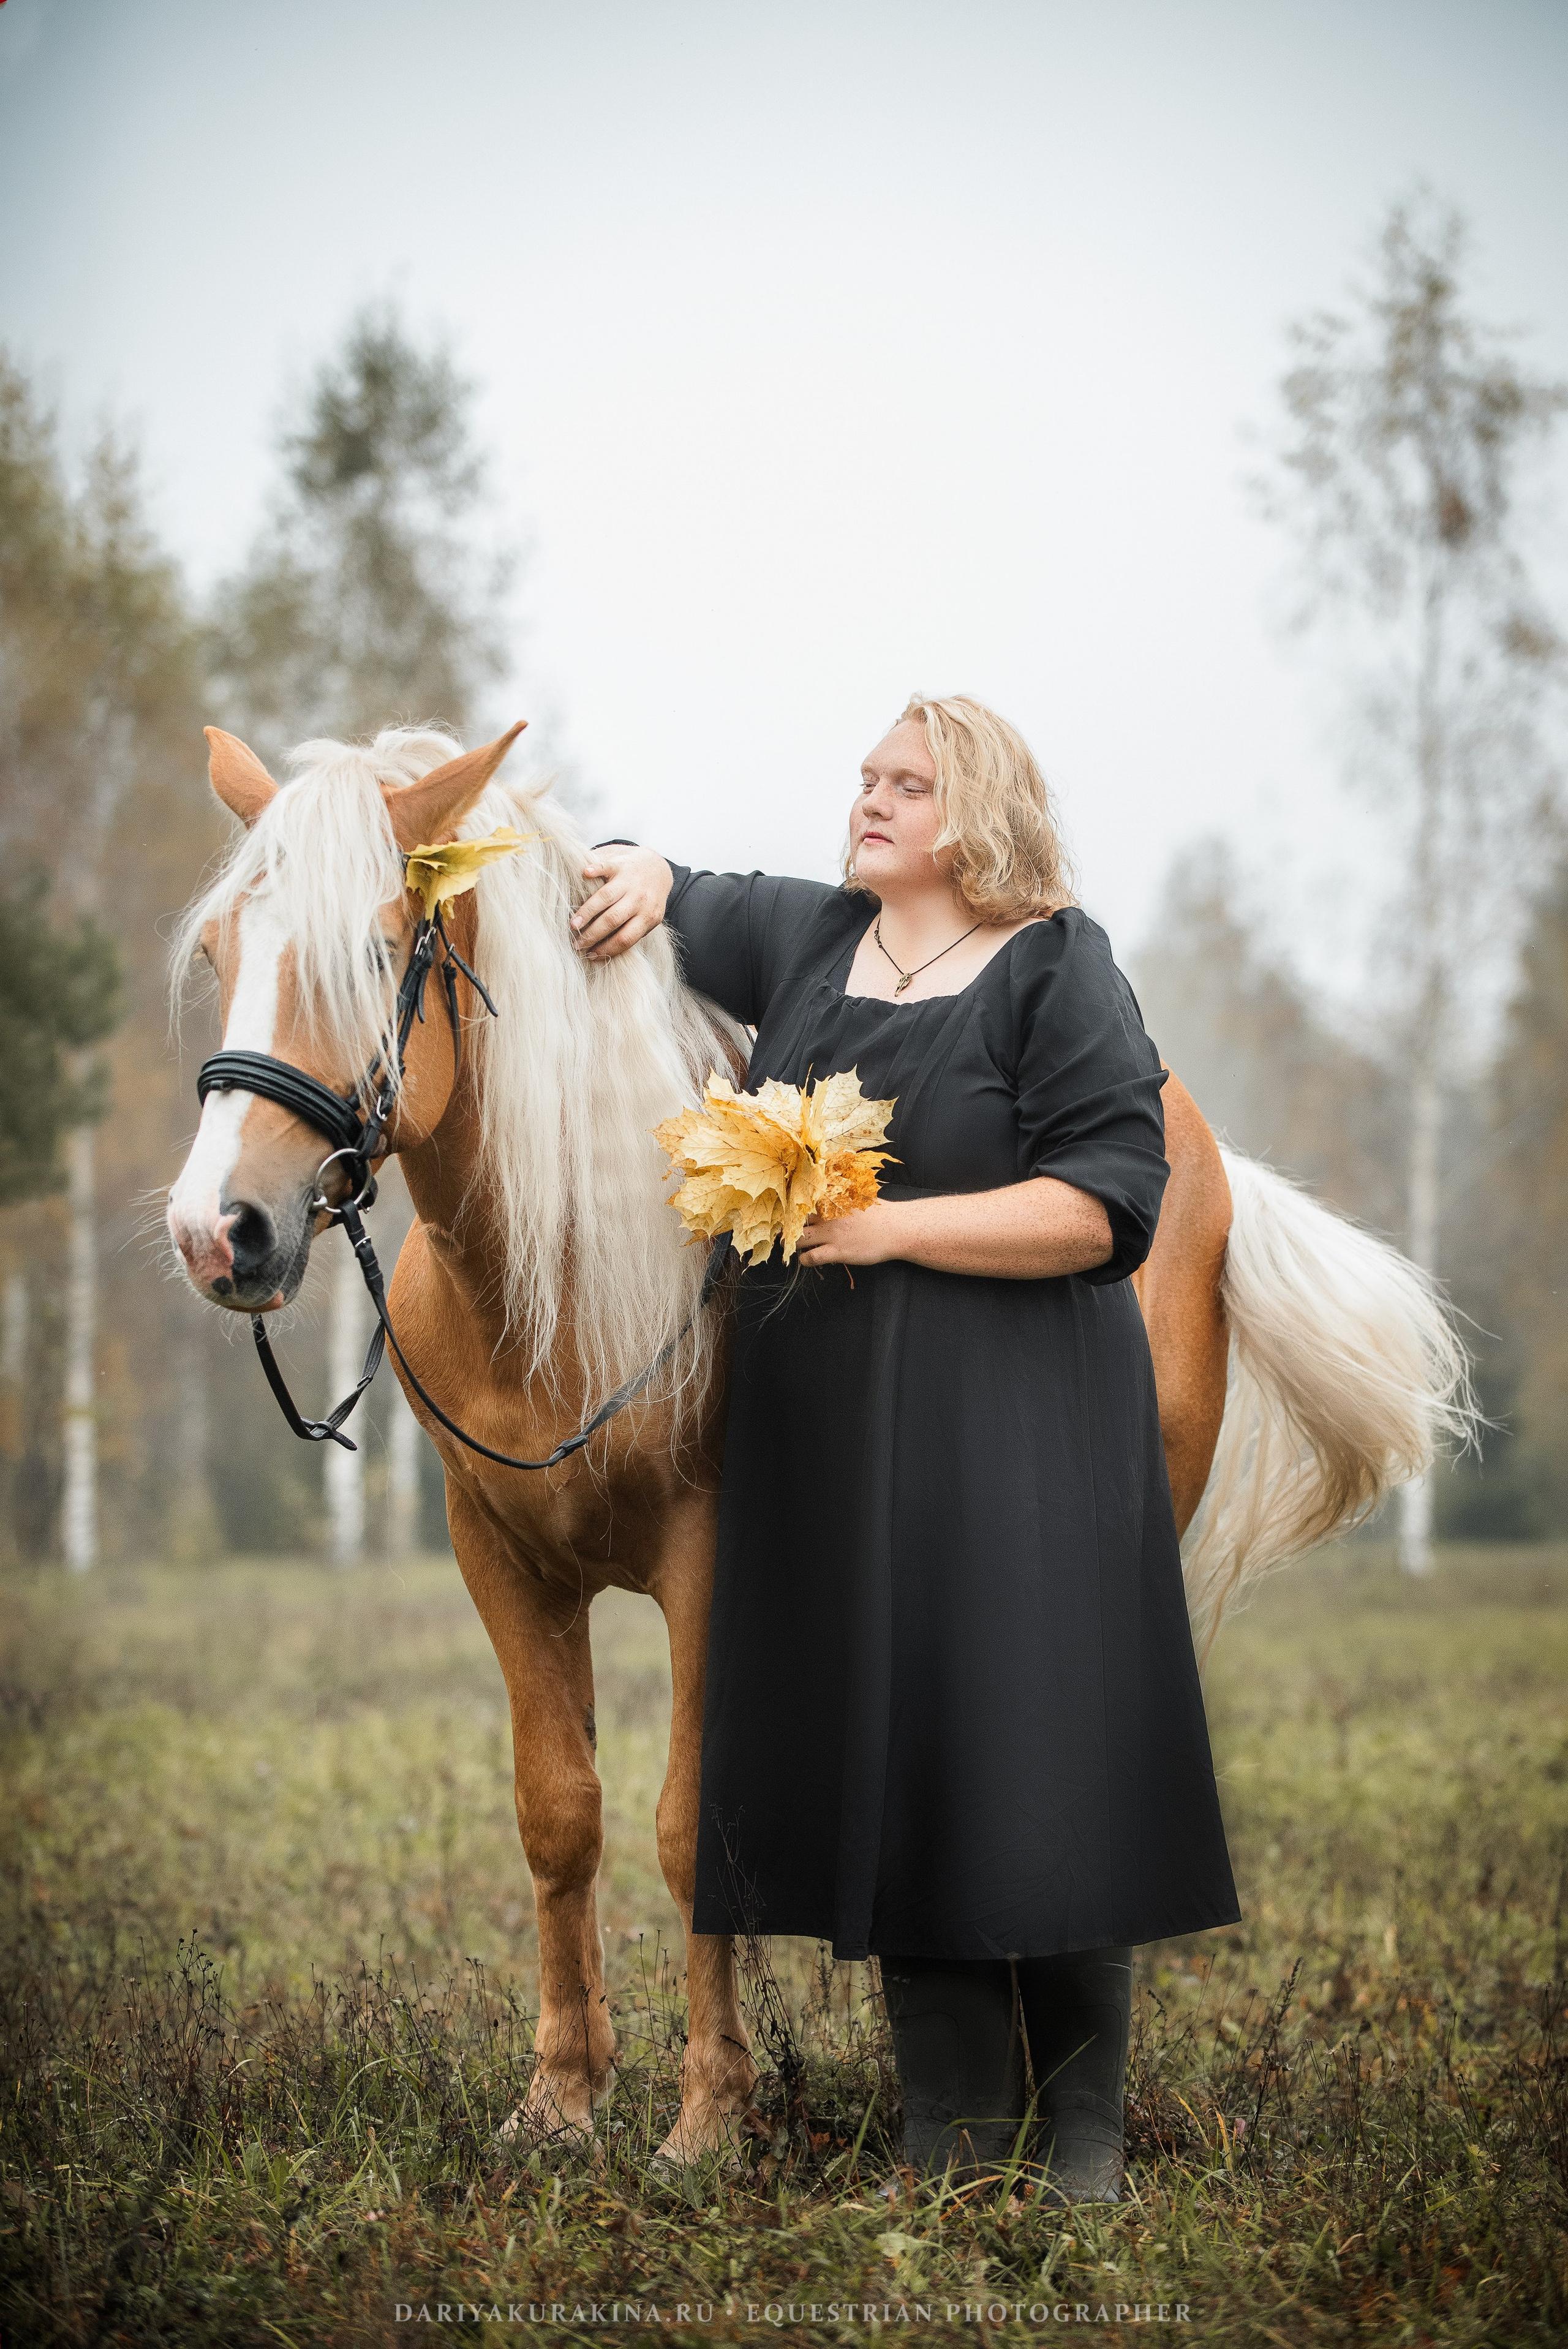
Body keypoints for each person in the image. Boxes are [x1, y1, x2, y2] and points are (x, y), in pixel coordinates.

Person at [570, 694, 1241, 2200]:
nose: (868, 798)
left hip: (1025, 1442)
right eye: (865, 776)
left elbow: (1105, 1205)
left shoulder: (1057, 966)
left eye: (906, 783)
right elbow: (667, 885)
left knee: (1038, 1753)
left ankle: (1079, 2139)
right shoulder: (814, 937)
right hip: (835, 1452)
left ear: (978, 811)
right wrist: (634, 865)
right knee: (905, 1757)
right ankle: (949, 2130)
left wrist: (886, 1229)